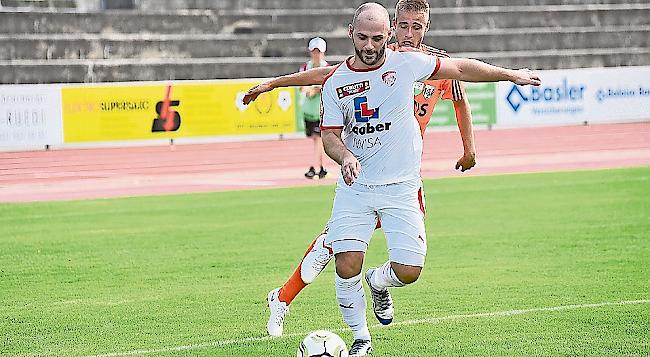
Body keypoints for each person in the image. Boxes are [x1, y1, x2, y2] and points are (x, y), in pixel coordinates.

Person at [253, 2, 540, 355]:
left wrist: (470, 148)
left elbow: (462, 92)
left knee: (402, 263)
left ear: (426, 27)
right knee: (338, 249)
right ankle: (300, 308)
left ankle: (366, 284)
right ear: (392, 27)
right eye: (402, 26)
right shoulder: (377, 56)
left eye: (415, 27)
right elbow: (327, 75)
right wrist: (274, 84)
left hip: (403, 176)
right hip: (362, 173)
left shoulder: (428, 64)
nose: (407, 34)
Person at [301, 37, 330, 179]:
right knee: (314, 139)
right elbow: (302, 86)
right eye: (314, 52)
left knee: (318, 138)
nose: (316, 55)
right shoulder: (306, 67)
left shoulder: (327, 68)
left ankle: (315, 167)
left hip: (321, 110)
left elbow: (324, 87)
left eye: (319, 52)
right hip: (309, 110)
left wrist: (314, 90)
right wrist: (311, 90)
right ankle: (322, 166)